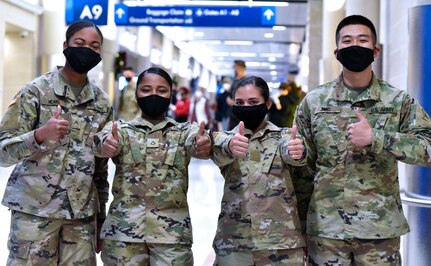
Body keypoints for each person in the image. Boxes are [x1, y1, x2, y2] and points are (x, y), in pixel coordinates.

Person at [294, 15, 431, 265]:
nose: (354, 45)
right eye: (347, 40)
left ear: (375, 50)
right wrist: (300, 224)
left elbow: (428, 147)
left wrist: (377, 138)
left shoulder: (398, 101)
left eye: (362, 40)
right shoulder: (314, 102)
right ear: (337, 52)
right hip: (326, 232)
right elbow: (302, 171)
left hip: (379, 231)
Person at [0, 20, 112, 265]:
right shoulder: (35, 92)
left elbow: (100, 169)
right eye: (80, 43)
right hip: (34, 212)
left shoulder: (102, 103)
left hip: (81, 215)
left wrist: (100, 218)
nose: (87, 50)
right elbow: (3, 152)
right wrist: (39, 135)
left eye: (94, 46)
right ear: (65, 45)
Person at [93, 66, 212, 265]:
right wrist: (105, 146)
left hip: (171, 238)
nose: (154, 95)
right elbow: (99, 142)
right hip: (123, 236)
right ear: (137, 94)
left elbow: (199, 140)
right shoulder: (120, 129)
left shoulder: (184, 131)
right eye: (146, 90)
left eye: (161, 90)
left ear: (170, 95)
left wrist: (203, 143)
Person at [211, 76, 307, 265]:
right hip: (234, 242)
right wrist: (230, 146)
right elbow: (220, 153)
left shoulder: (285, 136)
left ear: (268, 104)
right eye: (240, 102)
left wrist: (296, 152)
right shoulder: (225, 139)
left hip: (281, 244)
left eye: (253, 102)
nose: (246, 107)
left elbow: (295, 154)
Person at [226, 60, 247, 130]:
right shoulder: (234, 80)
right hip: (232, 112)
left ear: (240, 67)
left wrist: (234, 102)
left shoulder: (246, 81)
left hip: (241, 114)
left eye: (235, 66)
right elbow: (230, 94)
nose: (233, 68)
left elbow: (247, 98)